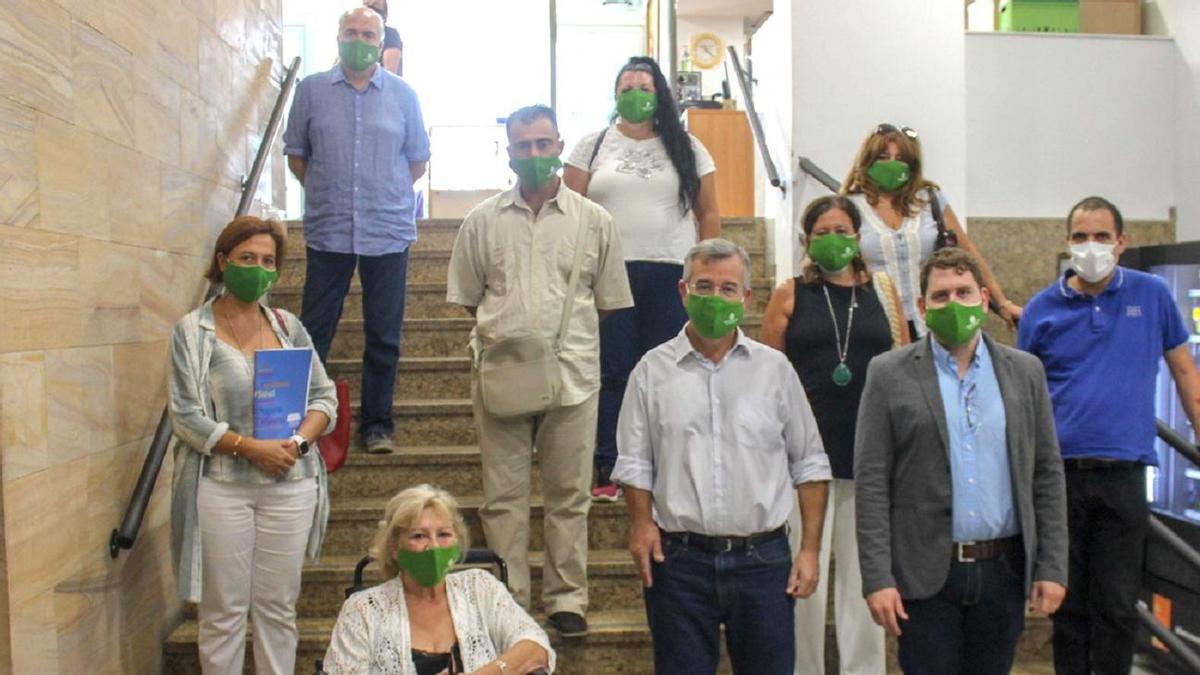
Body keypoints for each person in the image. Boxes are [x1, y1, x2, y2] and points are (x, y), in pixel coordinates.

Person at [446, 104, 633, 637]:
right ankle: (508, 598)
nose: (533, 154)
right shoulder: (481, 220)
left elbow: (608, 300)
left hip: (572, 377)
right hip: (501, 377)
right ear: (509, 152)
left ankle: (566, 598)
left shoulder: (595, 221)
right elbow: (469, 297)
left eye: (542, 144)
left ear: (558, 146)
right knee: (502, 499)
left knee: (569, 496)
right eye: (522, 145)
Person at [613, 238, 832, 675]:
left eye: (728, 288)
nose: (716, 298)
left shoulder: (775, 371)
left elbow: (809, 462)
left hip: (763, 562)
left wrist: (809, 550)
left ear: (747, 297)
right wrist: (640, 524)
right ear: (683, 292)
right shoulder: (651, 372)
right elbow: (635, 461)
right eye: (704, 286)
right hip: (678, 563)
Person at [855, 247, 1069, 675]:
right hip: (925, 574)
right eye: (941, 295)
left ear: (984, 300)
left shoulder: (1025, 372)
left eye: (964, 292)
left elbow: (1046, 472)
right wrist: (878, 578)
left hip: (1002, 572)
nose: (954, 304)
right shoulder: (889, 373)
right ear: (922, 306)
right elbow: (872, 481)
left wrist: (1052, 565)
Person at [1017, 196, 1200, 675]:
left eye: (1101, 236)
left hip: (1125, 476)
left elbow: (1185, 372)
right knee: (1068, 607)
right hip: (1059, 479)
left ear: (1122, 243)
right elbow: (1025, 397)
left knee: (1119, 608)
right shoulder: (1041, 310)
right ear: (1067, 242)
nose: (1091, 246)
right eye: (1080, 237)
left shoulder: (1152, 295)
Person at [167, 216, 338, 675]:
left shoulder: (288, 325)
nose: (258, 269)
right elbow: (185, 415)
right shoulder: (191, 331)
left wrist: (300, 442)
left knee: (278, 608)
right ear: (223, 262)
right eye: (247, 258)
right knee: (223, 611)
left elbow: (325, 398)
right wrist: (248, 447)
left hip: (291, 482)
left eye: (267, 261)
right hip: (223, 487)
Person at [562, 56, 720, 503]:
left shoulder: (687, 146)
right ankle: (610, 465)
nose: (636, 94)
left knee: (669, 371)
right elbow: (568, 212)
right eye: (627, 86)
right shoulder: (592, 146)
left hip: (672, 272)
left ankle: (669, 463)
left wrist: (708, 270)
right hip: (609, 275)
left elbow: (708, 212)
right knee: (613, 371)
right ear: (615, 95)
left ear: (660, 95)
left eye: (645, 87)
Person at [760, 195, 907, 675]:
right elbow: (766, 374)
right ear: (806, 240)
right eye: (821, 231)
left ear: (858, 236)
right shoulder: (790, 293)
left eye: (842, 230)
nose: (833, 239)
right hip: (803, 461)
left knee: (865, 581)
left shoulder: (883, 292)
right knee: (804, 579)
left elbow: (904, 365)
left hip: (870, 455)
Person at [283, 6, 430, 454]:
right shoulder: (311, 91)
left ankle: (378, 423)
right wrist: (332, 193)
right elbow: (297, 155)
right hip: (330, 229)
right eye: (352, 32)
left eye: (369, 34)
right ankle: (304, 419)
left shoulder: (403, 95)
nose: (360, 40)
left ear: (381, 42)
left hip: (387, 230)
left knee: (384, 334)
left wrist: (380, 195)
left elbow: (417, 160)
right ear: (338, 37)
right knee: (313, 329)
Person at [323, 484, 555, 674]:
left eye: (444, 534)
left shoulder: (480, 586)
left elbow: (536, 646)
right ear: (394, 547)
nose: (433, 547)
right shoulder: (363, 609)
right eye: (418, 536)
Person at [841, 123, 1019, 336]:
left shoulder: (929, 200)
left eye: (900, 159)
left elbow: (969, 253)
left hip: (930, 322)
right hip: (875, 324)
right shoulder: (849, 207)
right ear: (868, 160)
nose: (892, 164)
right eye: (883, 157)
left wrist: (1002, 303)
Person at [363, 0, 403, 75]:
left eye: (376, 5)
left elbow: (389, 71)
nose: (371, 9)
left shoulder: (390, 34)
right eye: (367, 5)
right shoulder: (358, 35)